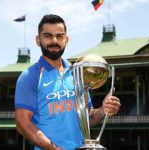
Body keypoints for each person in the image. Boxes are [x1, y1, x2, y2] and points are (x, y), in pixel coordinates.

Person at [15, 14, 121, 150]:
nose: (54, 41)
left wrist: (102, 111)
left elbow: (86, 117)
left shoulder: (77, 73)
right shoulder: (30, 76)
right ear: (38, 40)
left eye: (59, 36)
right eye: (47, 36)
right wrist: (55, 148)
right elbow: (22, 123)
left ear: (66, 40)